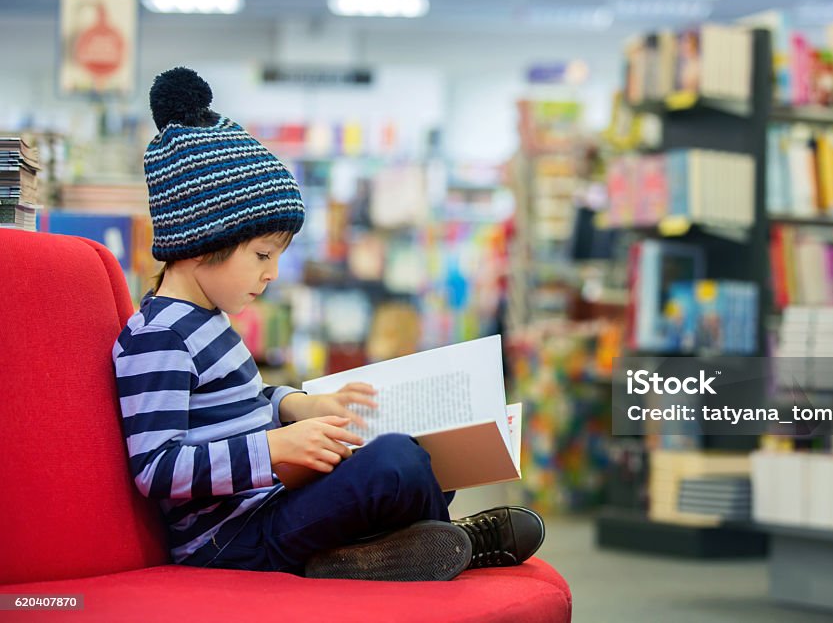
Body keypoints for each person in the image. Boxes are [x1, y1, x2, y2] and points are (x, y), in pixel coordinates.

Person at [112, 67, 544, 581]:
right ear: (201, 242)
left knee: (420, 456)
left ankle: (374, 553)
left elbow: (236, 404)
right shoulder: (159, 337)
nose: (272, 273)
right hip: (232, 539)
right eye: (262, 254)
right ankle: (457, 543)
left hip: (269, 504)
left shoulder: (207, 319)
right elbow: (155, 468)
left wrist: (298, 405)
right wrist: (273, 450)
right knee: (394, 465)